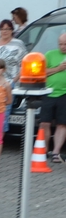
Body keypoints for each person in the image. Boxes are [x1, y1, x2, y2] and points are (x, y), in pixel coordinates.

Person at [0, 20, 27, 134]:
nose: (5, 31)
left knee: (3, 113)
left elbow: (25, 64)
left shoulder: (18, 44)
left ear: (12, 30)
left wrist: (14, 80)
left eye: (7, 29)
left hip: (8, 83)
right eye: (2, 29)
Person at [42, 34, 66, 162]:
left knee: (62, 123)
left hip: (64, 94)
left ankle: (56, 152)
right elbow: (42, 71)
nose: (63, 47)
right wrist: (58, 68)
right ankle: (44, 150)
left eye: (65, 44)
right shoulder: (50, 54)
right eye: (60, 44)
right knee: (44, 123)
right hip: (49, 93)